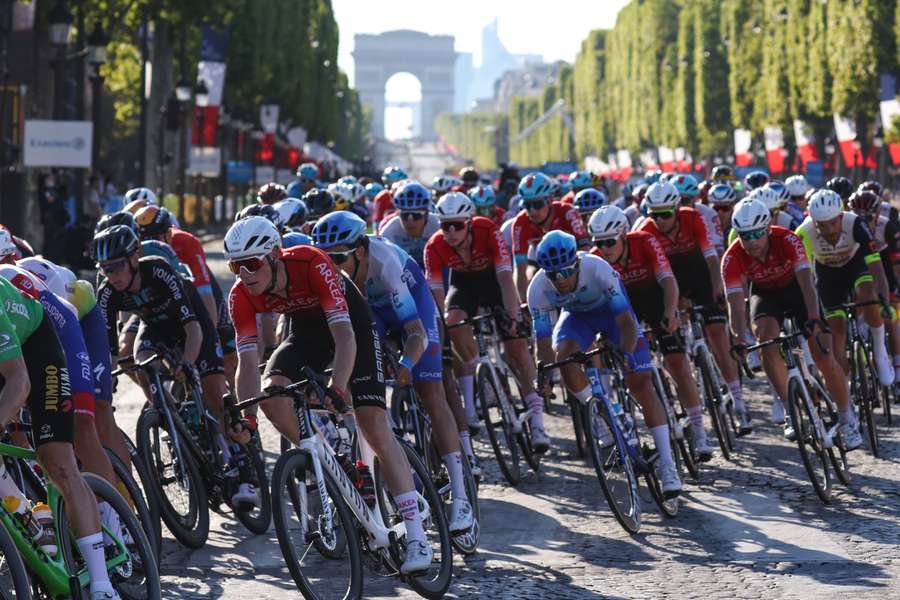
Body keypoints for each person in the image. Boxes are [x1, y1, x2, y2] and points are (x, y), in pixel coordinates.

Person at [225, 216, 435, 573]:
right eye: (235, 266)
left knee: (372, 423)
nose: (244, 274)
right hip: (305, 331)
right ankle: (334, 459)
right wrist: (247, 417)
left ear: (276, 254)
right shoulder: (240, 295)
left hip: (350, 325)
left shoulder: (311, 261)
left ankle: (416, 535)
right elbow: (247, 362)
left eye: (252, 263)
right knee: (271, 395)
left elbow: (345, 338)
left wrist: (338, 388)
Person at [312, 211, 474, 533]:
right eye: (325, 260)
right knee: (366, 401)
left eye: (338, 258)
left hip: (412, 308)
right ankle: (404, 481)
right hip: (372, 315)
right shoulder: (333, 277)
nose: (332, 267)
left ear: (360, 251)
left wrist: (405, 365)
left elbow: (416, 333)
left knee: (431, 392)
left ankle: (461, 495)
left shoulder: (385, 263)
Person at [528, 231, 683, 496]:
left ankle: (668, 464)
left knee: (640, 384)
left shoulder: (596, 267)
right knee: (562, 359)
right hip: (577, 319)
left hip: (614, 316)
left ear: (576, 263)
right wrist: (543, 374)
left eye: (565, 272)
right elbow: (543, 343)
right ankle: (602, 414)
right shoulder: (538, 289)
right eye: (554, 275)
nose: (561, 280)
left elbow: (625, 321)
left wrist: (625, 351)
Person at [0, 272, 121, 599]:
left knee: (59, 463)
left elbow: (19, 382)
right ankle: (31, 520)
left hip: (35, 351)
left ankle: (101, 584)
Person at [723, 198, 863, 448]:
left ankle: (846, 418)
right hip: (765, 294)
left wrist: (813, 317)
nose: (751, 241)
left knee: (822, 352)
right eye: (745, 235)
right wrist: (738, 337)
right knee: (765, 339)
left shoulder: (787, 239)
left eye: (756, 233)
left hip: (797, 290)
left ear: (767, 228)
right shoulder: (732, 257)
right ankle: (789, 408)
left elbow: (807, 283)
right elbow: (735, 304)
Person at [424, 193, 549, 452]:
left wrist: (513, 316)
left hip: (493, 280)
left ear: (469, 223)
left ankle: (537, 420)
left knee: (516, 349)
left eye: (456, 225)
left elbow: (506, 278)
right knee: (452, 322)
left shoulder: (487, 229)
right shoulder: (434, 246)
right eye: (445, 225)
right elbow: (436, 296)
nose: (450, 232)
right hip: (463, 285)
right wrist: (440, 334)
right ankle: (469, 410)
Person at [588, 206, 715, 461]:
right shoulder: (596, 259)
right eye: (599, 243)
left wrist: (671, 311)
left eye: (610, 242)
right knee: (633, 372)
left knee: (677, 362)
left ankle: (699, 430)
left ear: (623, 235)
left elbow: (668, 280)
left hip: (655, 299)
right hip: (625, 309)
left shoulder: (645, 241)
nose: (605, 248)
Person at [638, 181, 748, 433]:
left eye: (666, 214)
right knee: (674, 332)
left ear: (677, 209)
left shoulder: (694, 218)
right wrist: (671, 308)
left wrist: (717, 288)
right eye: (655, 215)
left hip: (699, 274)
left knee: (719, 336)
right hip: (669, 280)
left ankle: (738, 401)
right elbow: (659, 277)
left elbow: (711, 259)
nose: (661, 220)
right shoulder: (647, 230)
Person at [795, 189, 894, 386]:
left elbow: (876, 268)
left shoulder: (856, 224)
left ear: (841, 215)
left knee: (867, 292)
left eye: (833, 222)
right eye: (823, 225)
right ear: (814, 222)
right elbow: (804, 276)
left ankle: (879, 350)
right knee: (836, 332)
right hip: (827, 273)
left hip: (855, 264)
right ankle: (844, 383)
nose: (830, 230)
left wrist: (884, 300)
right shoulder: (803, 233)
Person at [511, 172, 590, 301]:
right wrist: (524, 303)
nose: (532, 211)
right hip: (544, 265)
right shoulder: (520, 223)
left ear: (549, 201)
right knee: (530, 276)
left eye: (537, 204)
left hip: (573, 263)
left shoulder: (567, 212)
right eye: (527, 205)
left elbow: (585, 251)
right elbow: (520, 270)